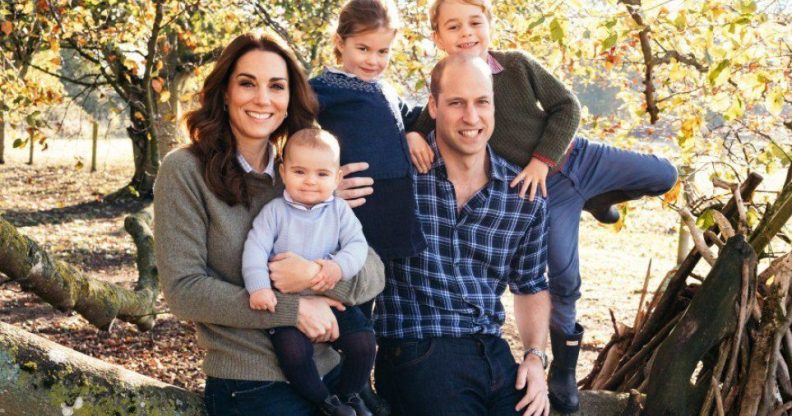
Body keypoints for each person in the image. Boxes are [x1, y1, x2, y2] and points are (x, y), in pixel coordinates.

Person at [405, 0, 678, 412]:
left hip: (577, 157)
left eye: (475, 22)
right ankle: (563, 371)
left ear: (490, 25)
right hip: (549, 194)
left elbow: (567, 106)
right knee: (563, 276)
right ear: (438, 37)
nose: (467, 33)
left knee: (665, 175)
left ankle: (603, 197)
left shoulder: (515, 65)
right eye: (454, 26)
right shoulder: (450, 86)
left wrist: (541, 159)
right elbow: (429, 119)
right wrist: (410, 135)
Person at [153, 31, 384, 416]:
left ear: (290, 97)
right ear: (225, 92)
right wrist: (293, 310)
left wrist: (313, 275)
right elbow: (184, 291)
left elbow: (374, 272)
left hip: (332, 372)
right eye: (247, 83)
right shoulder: (185, 171)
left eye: (276, 86)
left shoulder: (302, 172)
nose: (263, 99)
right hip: (253, 384)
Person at [373, 54, 552, 416]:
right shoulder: (398, 177)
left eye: (481, 102)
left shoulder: (521, 195)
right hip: (417, 347)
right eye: (456, 103)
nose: (472, 117)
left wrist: (535, 357)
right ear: (434, 106)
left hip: (493, 353)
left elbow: (530, 284)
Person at [241, 128, 375, 416]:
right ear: (283, 171)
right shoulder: (274, 212)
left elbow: (357, 246)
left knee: (363, 342)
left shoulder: (339, 211)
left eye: (322, 174)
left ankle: (349, 396)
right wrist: (259, 288)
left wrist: (337, 267)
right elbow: (255, 249)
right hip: (287, 304)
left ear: (338, 177)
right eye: (300, 171)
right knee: (293, 352)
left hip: (330, 297)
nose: (310, 181)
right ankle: (325, 402)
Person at [310, 0, 426, 265]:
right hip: (359, 212)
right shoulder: (325, 87)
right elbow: (291, 126)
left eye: (383, 51)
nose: (373, 60)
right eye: (363, 49)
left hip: (395, 212)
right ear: (340, 43)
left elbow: (413, 118)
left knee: (385, 292)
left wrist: (415, 133)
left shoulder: (385, 88)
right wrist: (321, 183)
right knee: (352, 294)